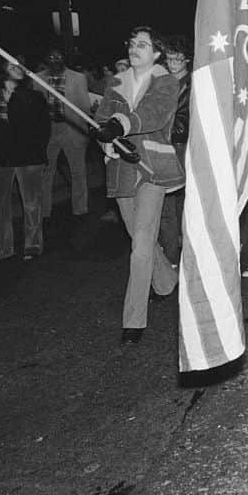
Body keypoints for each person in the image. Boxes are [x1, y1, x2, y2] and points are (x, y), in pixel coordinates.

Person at [93, 27, 184, 345]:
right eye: (132, 44)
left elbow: (153, 115)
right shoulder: (115, 82)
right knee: (138, 237)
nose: (134, 48)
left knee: (141, 244)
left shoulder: (166, 82)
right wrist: (105, 139)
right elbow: (102, 118)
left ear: (156, 53)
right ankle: (167, 281)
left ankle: (133, 320)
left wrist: (119, 125)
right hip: (121, 169)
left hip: (152, 169)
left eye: (142, 45)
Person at [0, 56, 51, 265]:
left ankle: (32, 245)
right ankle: (1, 248)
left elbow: (43, 128)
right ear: (3, 69)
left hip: (28, 156)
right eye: (12, 65)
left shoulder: (34, 97)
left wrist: (40, 153)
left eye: (20, 65)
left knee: (31, 203)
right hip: (0, 157)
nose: (18, 68)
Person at [34, 45, 92, 222]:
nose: (55, 61)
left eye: (58, 57)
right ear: (46, 60)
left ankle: (80, 209)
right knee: (46, 173)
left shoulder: (78, 78)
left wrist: (84, 132)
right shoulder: (37, 79)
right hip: (48, 130)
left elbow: (85, 107)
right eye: (51, 58)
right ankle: (44, 211)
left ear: (64, 58)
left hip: (72, 129)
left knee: (78, 172)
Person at [157, 36, 191, 267]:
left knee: (183, 198)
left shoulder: (194, 83)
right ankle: (170, 252)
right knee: (167, 199)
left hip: (183, 143)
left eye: (177, 59)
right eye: (169, 59)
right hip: (163, 143)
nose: (173, 64)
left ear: (186, 59)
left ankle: (184, 244)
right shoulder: (161, 81)